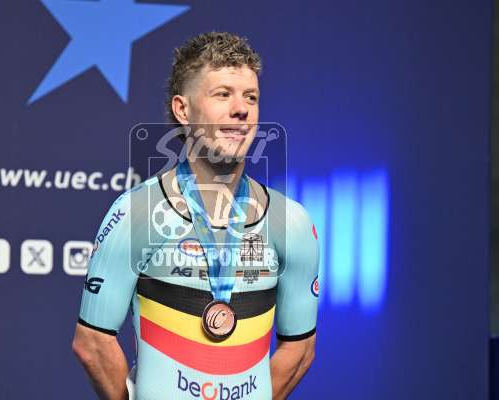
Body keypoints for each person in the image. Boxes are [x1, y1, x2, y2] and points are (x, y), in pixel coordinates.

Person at [72, 32, 320, 400]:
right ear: (183, 110)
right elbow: (92, 342)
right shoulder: (137, 212)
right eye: (223, 94)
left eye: (251, 97)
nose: (241, 109)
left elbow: (300, 349)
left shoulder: (291, 221)